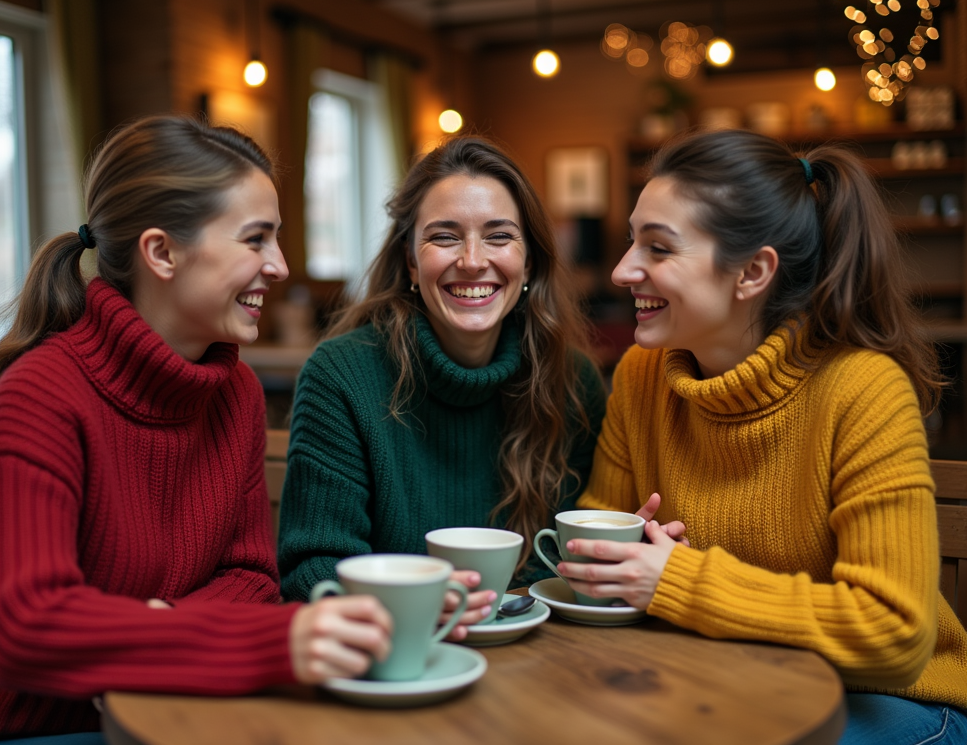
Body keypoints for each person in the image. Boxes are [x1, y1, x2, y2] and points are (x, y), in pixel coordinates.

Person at [0, 115, 392, 744]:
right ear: (162, 252)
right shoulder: (40, 394)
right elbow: (25, 628)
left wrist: (156, 631)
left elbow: (251, 577)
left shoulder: (231, 391)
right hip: (19, 729)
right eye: (255, 240)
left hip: (170, 708)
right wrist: (265, 642)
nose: (282, 266)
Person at [561, 129, 967, 744]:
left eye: (659, 248)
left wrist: (674, 580)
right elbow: (595, 540)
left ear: (752, 271)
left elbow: (896, 636)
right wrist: (621, 559)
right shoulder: (643, 375)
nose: (623, 271)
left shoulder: (864, 390)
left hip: (891, 703)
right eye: (630, 241)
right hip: (730, 680)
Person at [277, 136, 607, 634]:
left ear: (530, 262)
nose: (473, 261)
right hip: (395, 657)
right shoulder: (341, 377)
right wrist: (413, 613)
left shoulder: (572, 380)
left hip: (542, 654)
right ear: (411, 261)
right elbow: (312, 571)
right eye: (445, 237)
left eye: (499, 236)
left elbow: (569, 561)